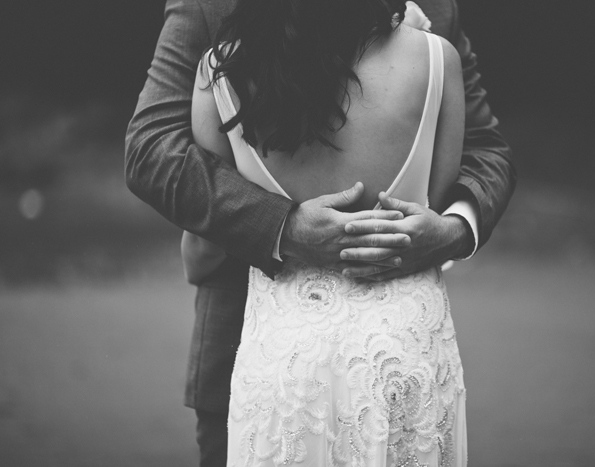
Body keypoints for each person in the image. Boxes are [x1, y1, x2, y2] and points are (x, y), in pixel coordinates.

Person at [124, 0, 514, 465]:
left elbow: (487, 149)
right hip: (270, 335)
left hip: (285, 350)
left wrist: (455, 229)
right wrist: (280, 225)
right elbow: (151, 150)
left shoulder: (222, 69)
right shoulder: (204, 6)